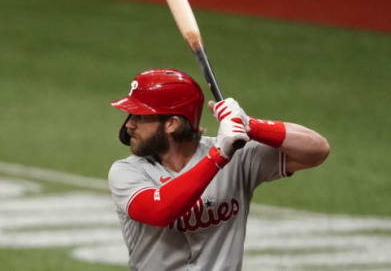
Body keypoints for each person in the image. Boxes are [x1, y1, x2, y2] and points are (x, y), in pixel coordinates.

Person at [108, 68, 330, 271]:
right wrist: (218, 156)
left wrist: (251, 125)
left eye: (139, 116)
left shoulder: (237, 156)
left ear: (172, 124)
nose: (129, 125)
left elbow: (317, 150)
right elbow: (159, 210)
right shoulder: (126, 172)